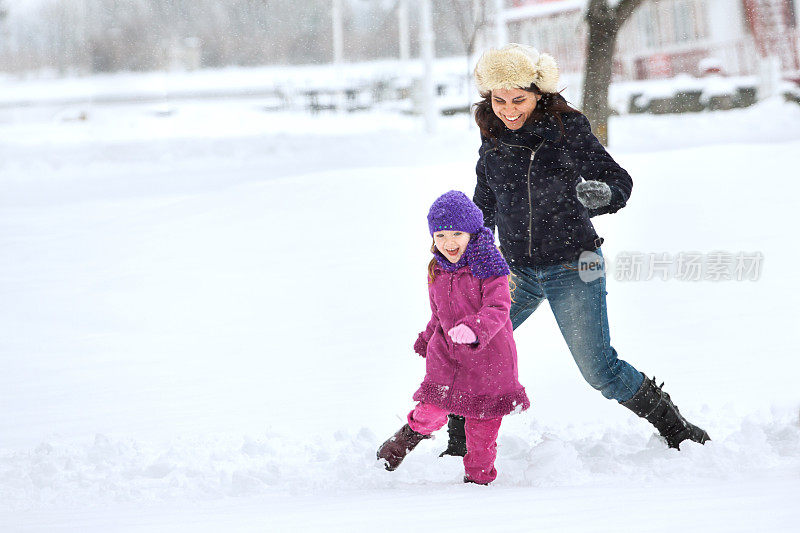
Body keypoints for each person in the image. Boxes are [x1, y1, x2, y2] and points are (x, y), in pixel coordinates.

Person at [438, 43, 709, 458]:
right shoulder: (492, 135)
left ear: (539, 95)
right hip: (514, 272)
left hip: (573, 265)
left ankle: (678, 429)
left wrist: (601, 195)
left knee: (600, 372)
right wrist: (469, 248)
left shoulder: (567, 130)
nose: (509, 110)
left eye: (519, 100)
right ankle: (461, 446)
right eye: (499, 100)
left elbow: (617, 180)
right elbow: (486, 199)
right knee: (466, 342)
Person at [376, 190, 530, 485]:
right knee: (432, 407)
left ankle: (478, 481)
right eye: (441, 235)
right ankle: (407, 437)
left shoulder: (490, 267)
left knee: (482, 432)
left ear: (472, 232)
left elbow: (498, 307)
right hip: (447, 358)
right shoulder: (437, 270)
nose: (449, 242)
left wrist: (475, 327)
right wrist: (427, 336)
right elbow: (439, 314)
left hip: (489, 361)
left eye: (457, 233)